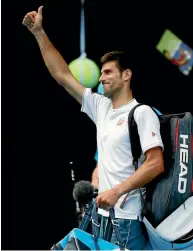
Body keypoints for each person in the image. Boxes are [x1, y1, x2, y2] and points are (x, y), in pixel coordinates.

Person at [22, 7, 164, 250]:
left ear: (127, 75)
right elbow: (62, 76)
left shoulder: (141, 113)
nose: (101, 78)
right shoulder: (101, 107)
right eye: (101, 73)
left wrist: (117, 191)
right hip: (101, 218)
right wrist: (39, 33)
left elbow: (155, 164)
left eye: (108, 72)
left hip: (127, 222)